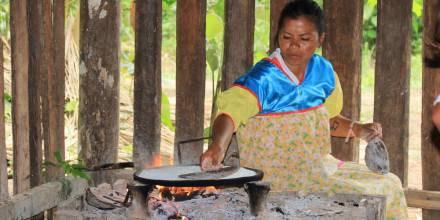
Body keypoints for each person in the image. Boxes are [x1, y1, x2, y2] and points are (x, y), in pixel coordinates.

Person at [200, 0, 408, 219]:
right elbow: (228, 116)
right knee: (364, 195)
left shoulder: (323, 73)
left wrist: (359, 129)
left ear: (320, 39)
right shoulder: (263, 79)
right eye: (287, 37)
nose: (294, 46)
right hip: (278, 179)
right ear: (277, 36)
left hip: (319, 169)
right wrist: (218, 147)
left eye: (305, 39)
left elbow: (327, 120)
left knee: (390, 183)